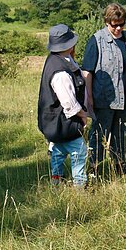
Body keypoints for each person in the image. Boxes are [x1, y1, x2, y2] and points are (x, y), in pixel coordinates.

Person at [81, 3, 126, 176]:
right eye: (115, 25)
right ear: (107, 22)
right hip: (104, 99)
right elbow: (88, 71)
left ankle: (119, 165)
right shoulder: (97, 40)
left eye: (122, 24)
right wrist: (90, 97)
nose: (119, 28)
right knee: (99, 135)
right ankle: (94, 169)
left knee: (122, 134)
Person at [38, 24, 89, 187]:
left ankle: (56, 184)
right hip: (65, 123)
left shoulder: (55, 59)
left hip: (54, 123)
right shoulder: (60, 71)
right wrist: (83, 116)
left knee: (58, 154)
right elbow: (69, 103)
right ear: (69, 44)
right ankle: (79, 188)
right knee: (79, 154)